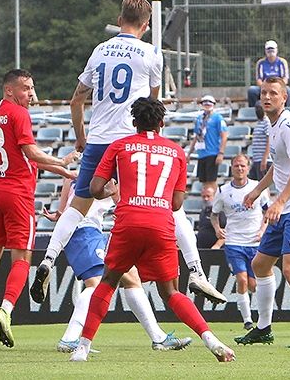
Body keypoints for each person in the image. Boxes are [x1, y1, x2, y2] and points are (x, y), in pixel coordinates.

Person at [31, 0, 225, 306]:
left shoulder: (100, 50)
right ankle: (196, 271)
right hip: (131, 144)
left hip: (98, 139)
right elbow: (153, 105)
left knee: (76, 208)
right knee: (170, 208)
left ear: (120, 20)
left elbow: (76, 100)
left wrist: (81, 137)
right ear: (146, 25)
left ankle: (48, 260)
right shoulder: (151, 53)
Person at [69, 98, 234, 362]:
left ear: (133, 122)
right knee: (171, 293)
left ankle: (82, 348)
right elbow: (177, 203)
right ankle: (211, 339)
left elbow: (94, 188)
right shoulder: (176, 151)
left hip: (128, 222)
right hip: (161, 225)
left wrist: (112, 191)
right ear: (161, 123)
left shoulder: (119, 146)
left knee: (108, 282)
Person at [0, 69, 78, 349]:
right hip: (16, 194)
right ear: (9, 90)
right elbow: (31, 153)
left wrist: (63, 169)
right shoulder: (18, 114)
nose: (31, 94)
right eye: (25, 88)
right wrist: (59, 160)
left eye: (32, 88)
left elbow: (22, 158)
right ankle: (5, 311)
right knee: (22, 257)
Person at [44, 180, 192, 352]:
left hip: (83, 230)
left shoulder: (90, 168)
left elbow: (69, 181)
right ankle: (69, 338)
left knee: (132, 278)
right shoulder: (114, 171)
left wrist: (62, 211)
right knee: (96, 283)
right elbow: (122, 199)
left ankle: (158, 338)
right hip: (84, 230)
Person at [234, 77, 290, 349]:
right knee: (260, 265)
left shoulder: (289, 126)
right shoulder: (271, 126)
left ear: (284, 98)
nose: (267, 97)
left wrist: (280, 202)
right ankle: (263, 328)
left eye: (273, 93)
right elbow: (279, 167)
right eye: (264, 92)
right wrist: (256, 191)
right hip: (285, 209)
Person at [211, 154, 268, 330]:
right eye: (236, 166)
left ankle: (263, 316)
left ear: (248, 168)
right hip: (234, 241)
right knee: (241, 280)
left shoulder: (258, 188)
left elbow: (268, 212)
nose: (240, 169)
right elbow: (214, 215)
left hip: (254, 242)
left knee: (253, 284)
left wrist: (262, 231)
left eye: (243, 166)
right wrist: (217, 229)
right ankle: (247, 320)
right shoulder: (223, 191)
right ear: (231, 168)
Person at [186, 94, 228, 192]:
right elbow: (196, 137)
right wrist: (189, 154)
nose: (207, 104)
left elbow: (224, 136)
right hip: (201, 153)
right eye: (204, 102)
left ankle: (214, 201)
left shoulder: (218, 118)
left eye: (209, 102)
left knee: (211, 181)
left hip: (212, 152)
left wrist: (221, 153)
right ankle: (207, 203)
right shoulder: (199, 118)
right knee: (204, 181)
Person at [247, 40, 290, 108]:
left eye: (272, 49)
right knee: (252, 90)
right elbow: (259, 79)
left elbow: (285, 79)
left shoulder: (282, 62)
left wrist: (277, 86)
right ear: (265, 51)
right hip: (264, 86)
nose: (271, 51)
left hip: (278, 87)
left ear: (276, 50)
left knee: (287, 90)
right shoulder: (260, 63)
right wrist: (265, 87)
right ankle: (255, 112)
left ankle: (286, 109)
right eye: (269, 49)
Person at [196, 185, 226, 249]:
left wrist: (217, 245)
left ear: (215, 196)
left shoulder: (221, 212)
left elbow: (227, 231)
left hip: (215, 250)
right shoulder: (204, 211)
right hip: (202, 249)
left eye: (208, 196)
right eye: (203, 196)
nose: (206, 199)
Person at [249, 103, 271, 181]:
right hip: (256, 159)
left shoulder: (267, 122)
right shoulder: (259, 123)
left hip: (263, 160)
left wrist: (264, 158)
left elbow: (269, 140)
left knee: (262, 184)